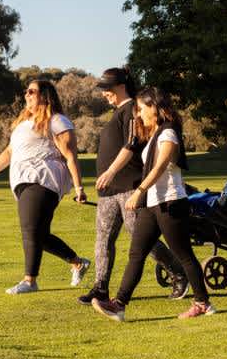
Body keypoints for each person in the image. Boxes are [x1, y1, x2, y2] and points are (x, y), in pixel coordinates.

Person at [93, 87, 216, 321]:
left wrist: (139, 192)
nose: (138, 114)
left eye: (141, 109)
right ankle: (118, 305)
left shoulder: (168, 132)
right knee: (136, 252)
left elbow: (160, 167)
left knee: (184, 255)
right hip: (154, 203)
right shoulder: (155, 133)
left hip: (170, 202)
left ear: (154, 107)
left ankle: (202, 303)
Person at [77, 68, 188, 306]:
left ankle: (178, 271)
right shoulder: (118, 113)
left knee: (141, 238)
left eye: (107, 88)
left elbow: (132, 144)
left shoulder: (132, 110)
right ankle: (100, 288)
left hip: (129, 185)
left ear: (120, 86)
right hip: (108, 191)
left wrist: (111, 171)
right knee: (103, 239)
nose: (104, 93)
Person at [0, 79, 91, 294]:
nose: (26, 95)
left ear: (45, 96)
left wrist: (79, 188)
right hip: (23, 182)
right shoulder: (23, 124)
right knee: (39, 234)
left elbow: (70, 155)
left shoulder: (57, 121)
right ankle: (77, 262)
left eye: (32, 91)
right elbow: (10, 153)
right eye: (26, 92)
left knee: (30, 230)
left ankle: (30, 280)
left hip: (43, 180)